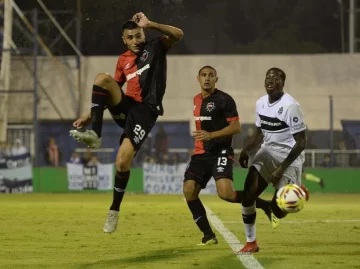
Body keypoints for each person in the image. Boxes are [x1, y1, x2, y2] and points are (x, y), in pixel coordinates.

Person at [69, 12, 183, 233]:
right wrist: (89, 114)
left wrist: (151, 24)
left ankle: (114, 211)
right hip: (126, 107)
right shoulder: (123, 60)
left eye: (138, 35)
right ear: (124, 39)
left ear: (143, 33)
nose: (135, 41)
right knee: (102, 78)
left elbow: (178, 34)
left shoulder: (156, 47)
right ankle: (95, 134)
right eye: (130, 37)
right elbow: (111, 90)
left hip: (145, 112)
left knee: (122, 162)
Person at [183, 66, 271, 246]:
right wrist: (201, 142)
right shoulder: (196, 100)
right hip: (201, 154)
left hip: (221, 151)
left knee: (226, 194)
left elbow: (236, 127)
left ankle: (264, 205)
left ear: (216, 79)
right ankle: (208, 235)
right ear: (197, 78)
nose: (207, 78)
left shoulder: (224, 100)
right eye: (203, 75)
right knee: (189, 191)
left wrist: (212, 136)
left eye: (211, 75)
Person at [238, 67, 308, 253]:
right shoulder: (260, 103)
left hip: (289, 158)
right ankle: (251, 242)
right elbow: (260, 131)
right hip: (267, 152)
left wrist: (281, 169)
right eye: (268, 76)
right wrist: (246, 149)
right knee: (248, 193)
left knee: (279, 211)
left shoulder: (290, 106)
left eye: (276, 77)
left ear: (282, 84)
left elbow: (301, 142)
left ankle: (295, 193)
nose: (271, 79)